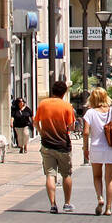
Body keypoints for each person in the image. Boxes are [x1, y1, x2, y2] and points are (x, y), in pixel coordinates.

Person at [34, 79, 77, 213]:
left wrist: (42, 133)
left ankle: (53, 204)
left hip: (47, 144)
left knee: (50, 174)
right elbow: (71, 126)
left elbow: (35, 122)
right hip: (63, 145)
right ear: (64, 92)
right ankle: (67, 203)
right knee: (66, 174)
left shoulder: (43, 104)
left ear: (52, 91)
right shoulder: (67, 106)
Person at [83, 87, 112, 216]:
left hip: (96, 148)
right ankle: (109, 208)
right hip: (111, 148)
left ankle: (100, 197)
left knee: (97, 176)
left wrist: (85, 148)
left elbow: (85, 132)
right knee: (109, 179)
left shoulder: (90, 113)